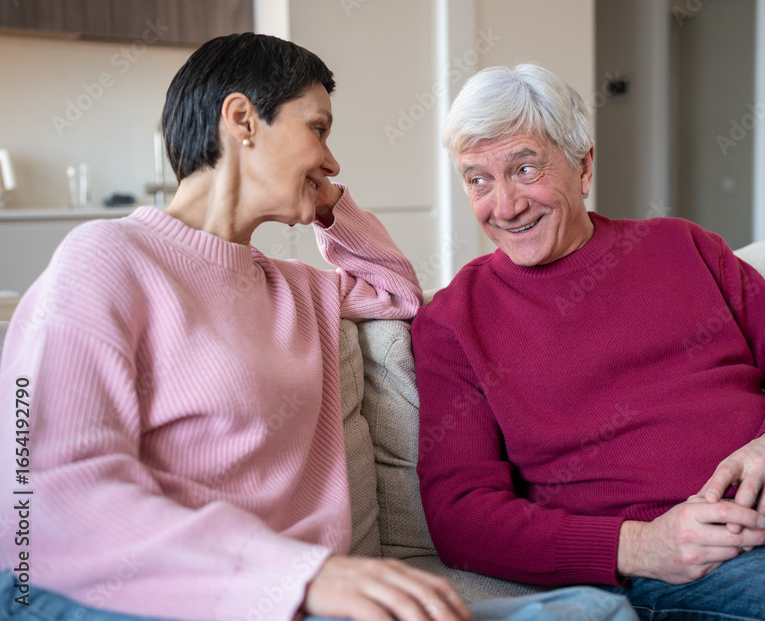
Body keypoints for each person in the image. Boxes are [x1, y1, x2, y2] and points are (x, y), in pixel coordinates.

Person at [0, 35, 637, 621]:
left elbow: (396, 295)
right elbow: (45, 502)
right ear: (243, 121)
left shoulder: (298, 290)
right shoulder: (109, 260)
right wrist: (302, 576)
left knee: (594, 612)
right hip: (150, 600)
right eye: (318, 129)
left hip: (306, 600)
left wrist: (334, 209)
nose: (331, 158)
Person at [411, 63, 765, 620]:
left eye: (525, 169)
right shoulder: (455, 321)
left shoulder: (681, 246)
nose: (505, 206)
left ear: (584, 165)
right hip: (678, 550)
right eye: (478, 179)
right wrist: (639, 546)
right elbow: (462, 517)